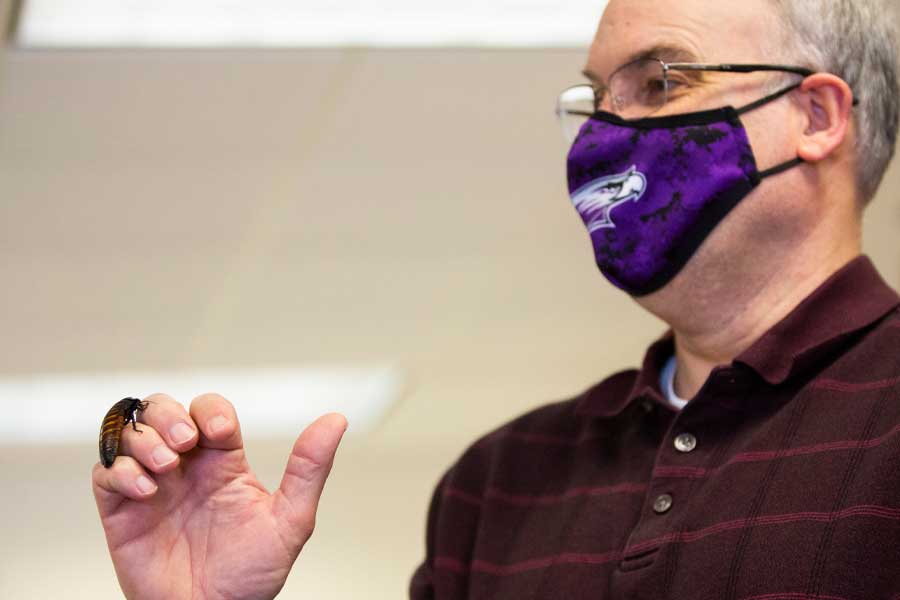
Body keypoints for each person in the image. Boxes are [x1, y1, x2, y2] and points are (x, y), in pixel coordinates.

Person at [92, 0, 900, 598]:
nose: (602, 135)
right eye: (595, 98)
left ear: (815, 115)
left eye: (659, 82)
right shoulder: (503, 483)